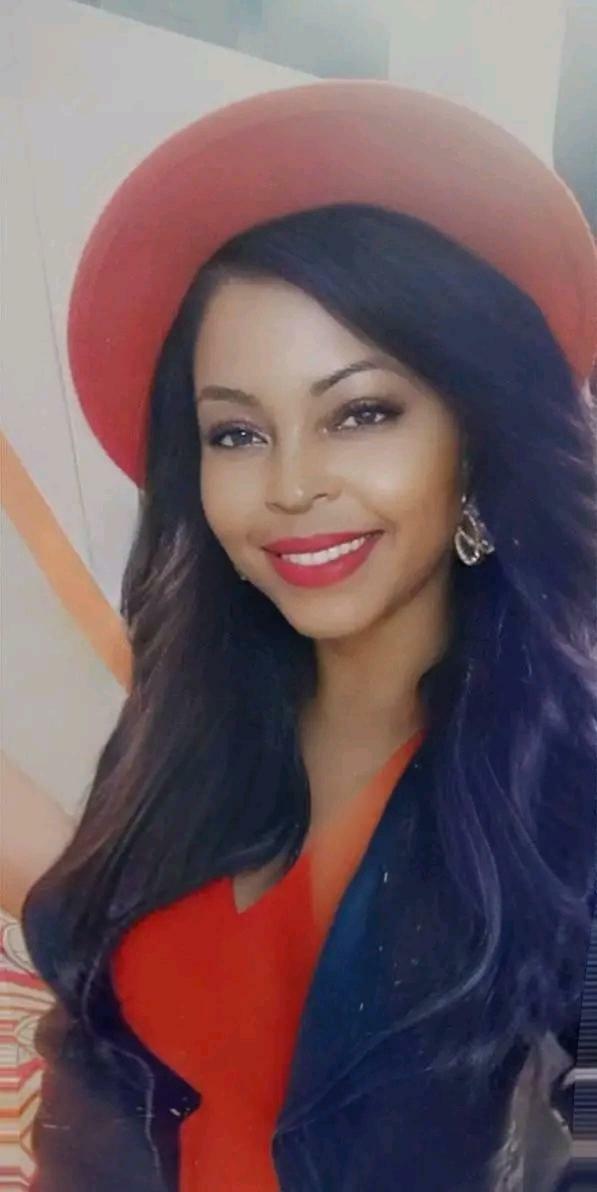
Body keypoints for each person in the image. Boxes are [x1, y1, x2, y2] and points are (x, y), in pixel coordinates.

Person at [20, 80, 597, 1191]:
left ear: (474, 438)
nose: (290, 485)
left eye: (361, 412)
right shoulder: (183, 727)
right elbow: (97, 1040)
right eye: (237, 432)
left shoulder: (564, 791)